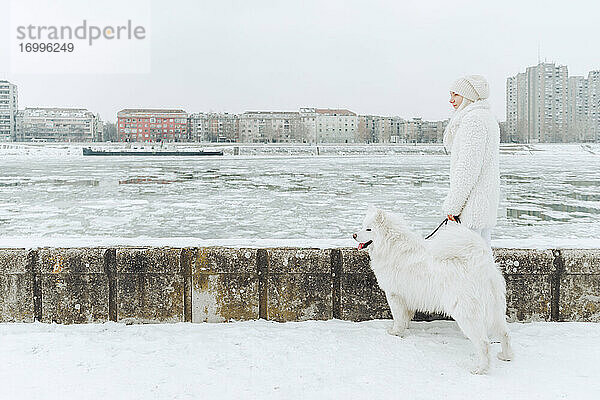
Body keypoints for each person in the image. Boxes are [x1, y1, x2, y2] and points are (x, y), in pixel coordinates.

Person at [441, 75, 500, 249]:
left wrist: (453, 206)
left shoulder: (473, 120)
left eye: (456, 95)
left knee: (468, 268)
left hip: (471, 211)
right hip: (481, 207)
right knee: (481, 264)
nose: (451, 100)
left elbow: (467, 169)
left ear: (468, 96)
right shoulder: (486, 118)